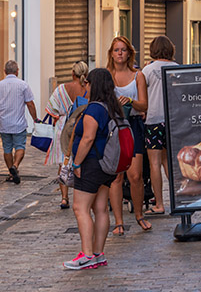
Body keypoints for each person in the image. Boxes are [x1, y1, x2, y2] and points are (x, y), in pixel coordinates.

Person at [64, 68, 122, 270]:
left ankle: (87, 254)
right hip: (106, 165)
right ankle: (98, 253)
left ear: (93, 85)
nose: (85, 85)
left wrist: (76, 163)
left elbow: (88, 138)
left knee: (80, 208)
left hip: (91, 163)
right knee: (101, 208)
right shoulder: (112, 106)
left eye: (87, 83)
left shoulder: (94, 108)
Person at [105, 37, 152, 233]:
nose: (120, 53)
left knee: (136, 175)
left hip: (133, 124)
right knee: (116, 177)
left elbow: (144, 105)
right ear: (112, 53)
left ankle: (139, 215)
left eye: (123, 50)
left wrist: (130, 101)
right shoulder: (107, 76)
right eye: (116, 50)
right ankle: (118, 222)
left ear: (129, 52)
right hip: (113, 126)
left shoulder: (138, 76)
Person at [44, 61, 89, 209]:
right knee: (81, 162)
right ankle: (79, 196)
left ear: (72, 73)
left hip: (63, 127)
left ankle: (64, 198)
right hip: (83, 125)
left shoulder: (62, 89)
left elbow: (51, 110)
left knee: (64, 163)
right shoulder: (89, 89)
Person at [141, 36, 178, 216]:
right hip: (172, 120)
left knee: (154, 163)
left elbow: (141, 95)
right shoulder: (177, 69)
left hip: (154, 120)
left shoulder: (147, 70)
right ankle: (177, 200)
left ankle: (160, 204)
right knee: (169, 162)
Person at [0, 60, 38, 184]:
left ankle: (10, 173)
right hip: (19, 123)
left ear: (5, 71)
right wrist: (35, 119)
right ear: (17, 71)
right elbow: (30, 104)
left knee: (7, 149)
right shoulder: (23, 85)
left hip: (4, 123)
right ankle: (15, 166)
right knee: (20, 147)